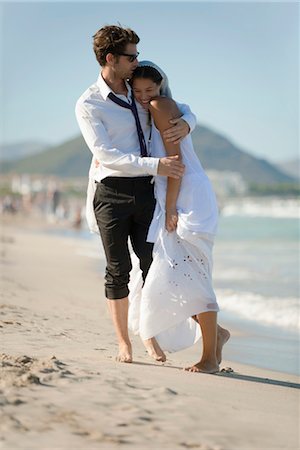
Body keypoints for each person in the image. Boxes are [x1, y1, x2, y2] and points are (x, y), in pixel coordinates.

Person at [75, 25, 197, 363]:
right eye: (131, 56)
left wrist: (189, 122)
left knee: (153, 265)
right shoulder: (89, 104)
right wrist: (157, 164)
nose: (137, 62)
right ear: (111, 58)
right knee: (118, 269)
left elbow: (182, 107)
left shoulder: (139, 89)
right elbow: (106, 153)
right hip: (111, 192)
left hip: (146, 191)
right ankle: (123, 343)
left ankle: (150, 335)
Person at [128, 62, 230, 373]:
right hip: (177, 196)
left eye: (150, 90)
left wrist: (171, 208)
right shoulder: (159, 108)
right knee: (177, 275)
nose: (145, 96)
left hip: (186, 197)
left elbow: (176, 163)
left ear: (161, 87)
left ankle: (209, 358)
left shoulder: (161, 106)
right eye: (139, 91)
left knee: (195, 276)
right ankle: (218, 336)